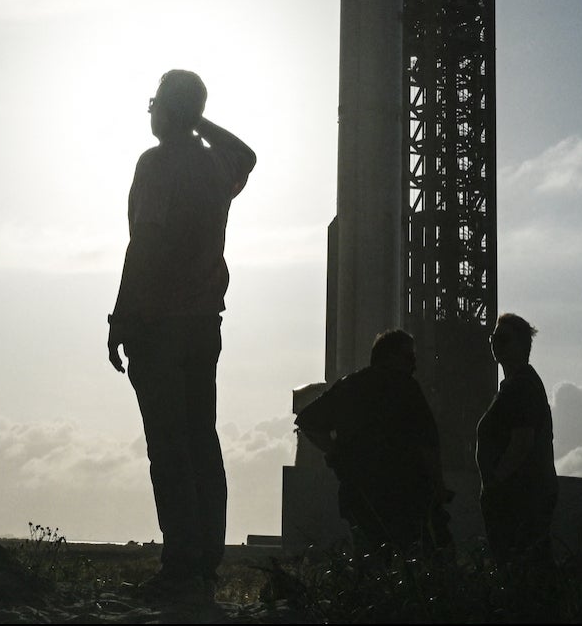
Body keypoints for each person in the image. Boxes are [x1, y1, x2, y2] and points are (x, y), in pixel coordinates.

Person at [106, 69, 257, 601]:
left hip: (160, 324)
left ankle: (180, 566)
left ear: (166, 110)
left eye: (154, 103)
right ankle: (204, 565)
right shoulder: (215, 164)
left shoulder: (157, 165)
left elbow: (142, 246)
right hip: (203, 325)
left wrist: (120, 317)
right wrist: (201, 121)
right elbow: (249, 155)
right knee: (201, 441)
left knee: (169, 447)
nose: (149, 112)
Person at [294, 329, 447, 554]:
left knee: (369, 560)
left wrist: (337, 452)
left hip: (359, 493)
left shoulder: (349, 385)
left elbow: (307, 421)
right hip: (403, 493)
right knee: (411, 560)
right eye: (409, 357)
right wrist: (438, 486)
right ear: (391, 356)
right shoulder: (406, 388)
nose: (414, 364)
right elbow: (428, 443)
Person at [476, 312, 557, 565]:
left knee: (519, 565)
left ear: (522, 345)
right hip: (516, 496)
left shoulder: (521, 387)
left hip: (517, 498)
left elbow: (522, 441)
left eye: (503, 339)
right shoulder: (514, 386)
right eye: (493, 338)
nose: (495, 344)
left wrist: (496, 482)